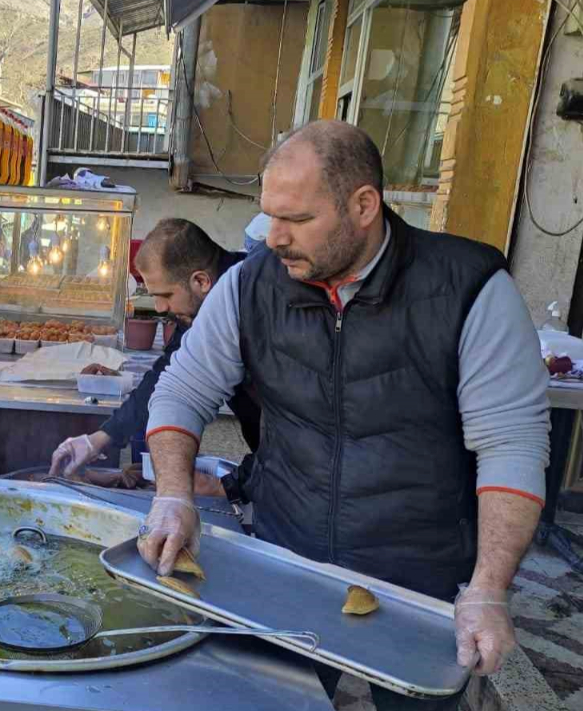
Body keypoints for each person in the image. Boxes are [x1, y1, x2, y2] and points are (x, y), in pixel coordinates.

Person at [137, 121, 550, 709]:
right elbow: (183, 389)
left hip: (420, 577)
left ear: (363, 206)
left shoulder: (469, 289)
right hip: (289, 558)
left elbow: (512, 443)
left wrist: (488, 588)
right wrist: (174, 494)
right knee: (271, 700)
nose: (274, 238)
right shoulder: (250, 284)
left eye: (298, 220)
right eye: (269, 215)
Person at [49, 218, 260, 486]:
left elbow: (294, 430)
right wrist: (100, 439)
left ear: (201, 281)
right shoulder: (201, 305)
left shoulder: (256, 305)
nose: (160, 307)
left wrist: (233, 486)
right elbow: (165, 374)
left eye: (166, 295)